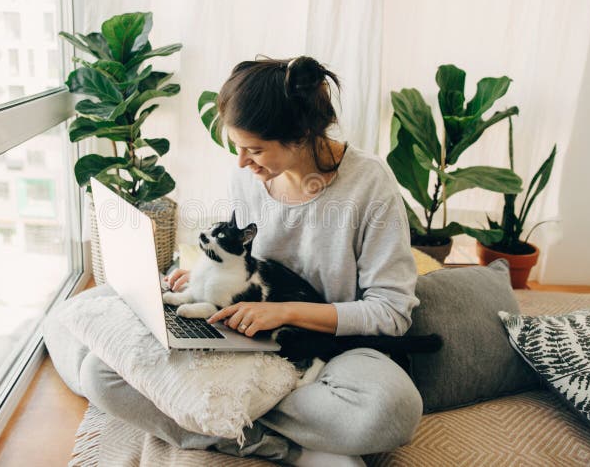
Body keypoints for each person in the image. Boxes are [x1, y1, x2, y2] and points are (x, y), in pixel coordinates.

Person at [80, 55, 423, 466]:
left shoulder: (369, 184)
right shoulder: (247, 177)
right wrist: (209, 275)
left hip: (330, 349)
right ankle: (292, 449)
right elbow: (247, 260)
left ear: (302, 134)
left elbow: (391, 313)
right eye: (238, 148)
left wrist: (283, 312)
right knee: (100, 376)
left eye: (255, 149)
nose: (242, 162)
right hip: (249, 338)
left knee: (392, 409)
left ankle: (219, 417)